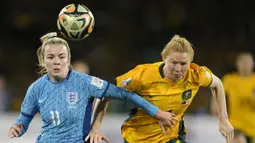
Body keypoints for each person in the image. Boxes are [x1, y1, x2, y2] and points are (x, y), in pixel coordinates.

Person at [7, 32, 177, 143]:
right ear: (43, 60)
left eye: (61, 56)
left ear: (68, 59)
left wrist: (157, 112)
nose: (56, 61)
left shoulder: (85, 82)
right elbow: (23, 121)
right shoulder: (36, 89)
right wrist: (17, 128)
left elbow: (125, 94)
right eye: (50, 57)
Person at [90, 35, 234, 143]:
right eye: (173, 62)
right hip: (138, 138)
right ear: (163, 58)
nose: (178, 69)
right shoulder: (142, 74)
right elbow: (106, 93)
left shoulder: (196, 75)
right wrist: (95, 128)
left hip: (171, 137)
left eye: (184, 63)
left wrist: (223, 118)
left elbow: (218, 84)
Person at [211, 52, 255, 143]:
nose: (245, 65)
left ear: (252, 64)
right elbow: (218, 90)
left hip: (252, 127)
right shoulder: (230, 79)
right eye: (242, 62)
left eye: (248, 62)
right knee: (239, 141)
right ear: (237, 64)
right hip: (235, 124)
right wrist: (215, 104)